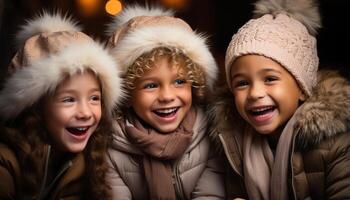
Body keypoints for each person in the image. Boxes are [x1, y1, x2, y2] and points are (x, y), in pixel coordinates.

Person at [209, 0, 350, 199]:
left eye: (270, 79)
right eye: (242, 83)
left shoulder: (338, 144)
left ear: (302, 88)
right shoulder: (230, 139)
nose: (255, 93)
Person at [105, 4, 226, 200]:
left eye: (179, 82)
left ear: (193, 86)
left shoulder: (210, 136)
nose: (167, 96)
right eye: (151, 85)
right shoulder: (112, 148)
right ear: (126, 95)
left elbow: (210, 194)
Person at [0, 12, 124, 199]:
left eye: (94, 98)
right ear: (36, 107)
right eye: (69, 100)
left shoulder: (88, 161)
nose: (85, 113)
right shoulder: (6, 160)